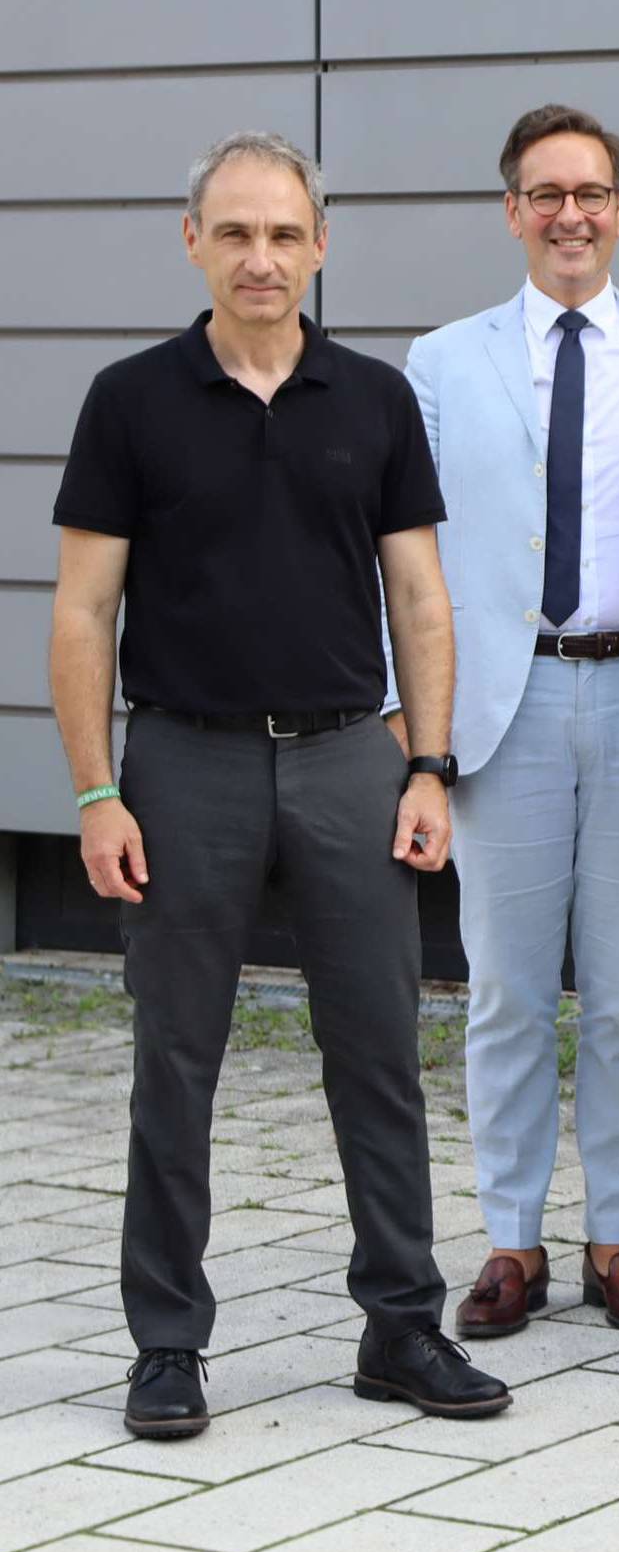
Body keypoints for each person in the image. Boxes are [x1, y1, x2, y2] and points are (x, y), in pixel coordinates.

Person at [47, 132, 509, 1437]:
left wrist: (428, 762)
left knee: (379, 1049)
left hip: (348, 759)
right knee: (174, 1057)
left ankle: (402, 1324)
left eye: (285, 234)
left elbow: (419, 593)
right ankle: (168, 1342)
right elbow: (82, 613)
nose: (262, 256)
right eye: (236, 232)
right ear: (192, 241)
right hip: (183, 761)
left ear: (319, 245)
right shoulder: (128, 399)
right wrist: (96, 791)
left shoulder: (371, 399)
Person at [389, 105, 619, 1342]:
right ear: (512, 210)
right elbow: (403, 553)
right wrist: (402, 711)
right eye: (545, 193)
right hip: (500, 703)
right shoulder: (440, 362)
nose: (569, 214)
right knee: (507, 993)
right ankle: (512, 1242)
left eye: (591, 194)